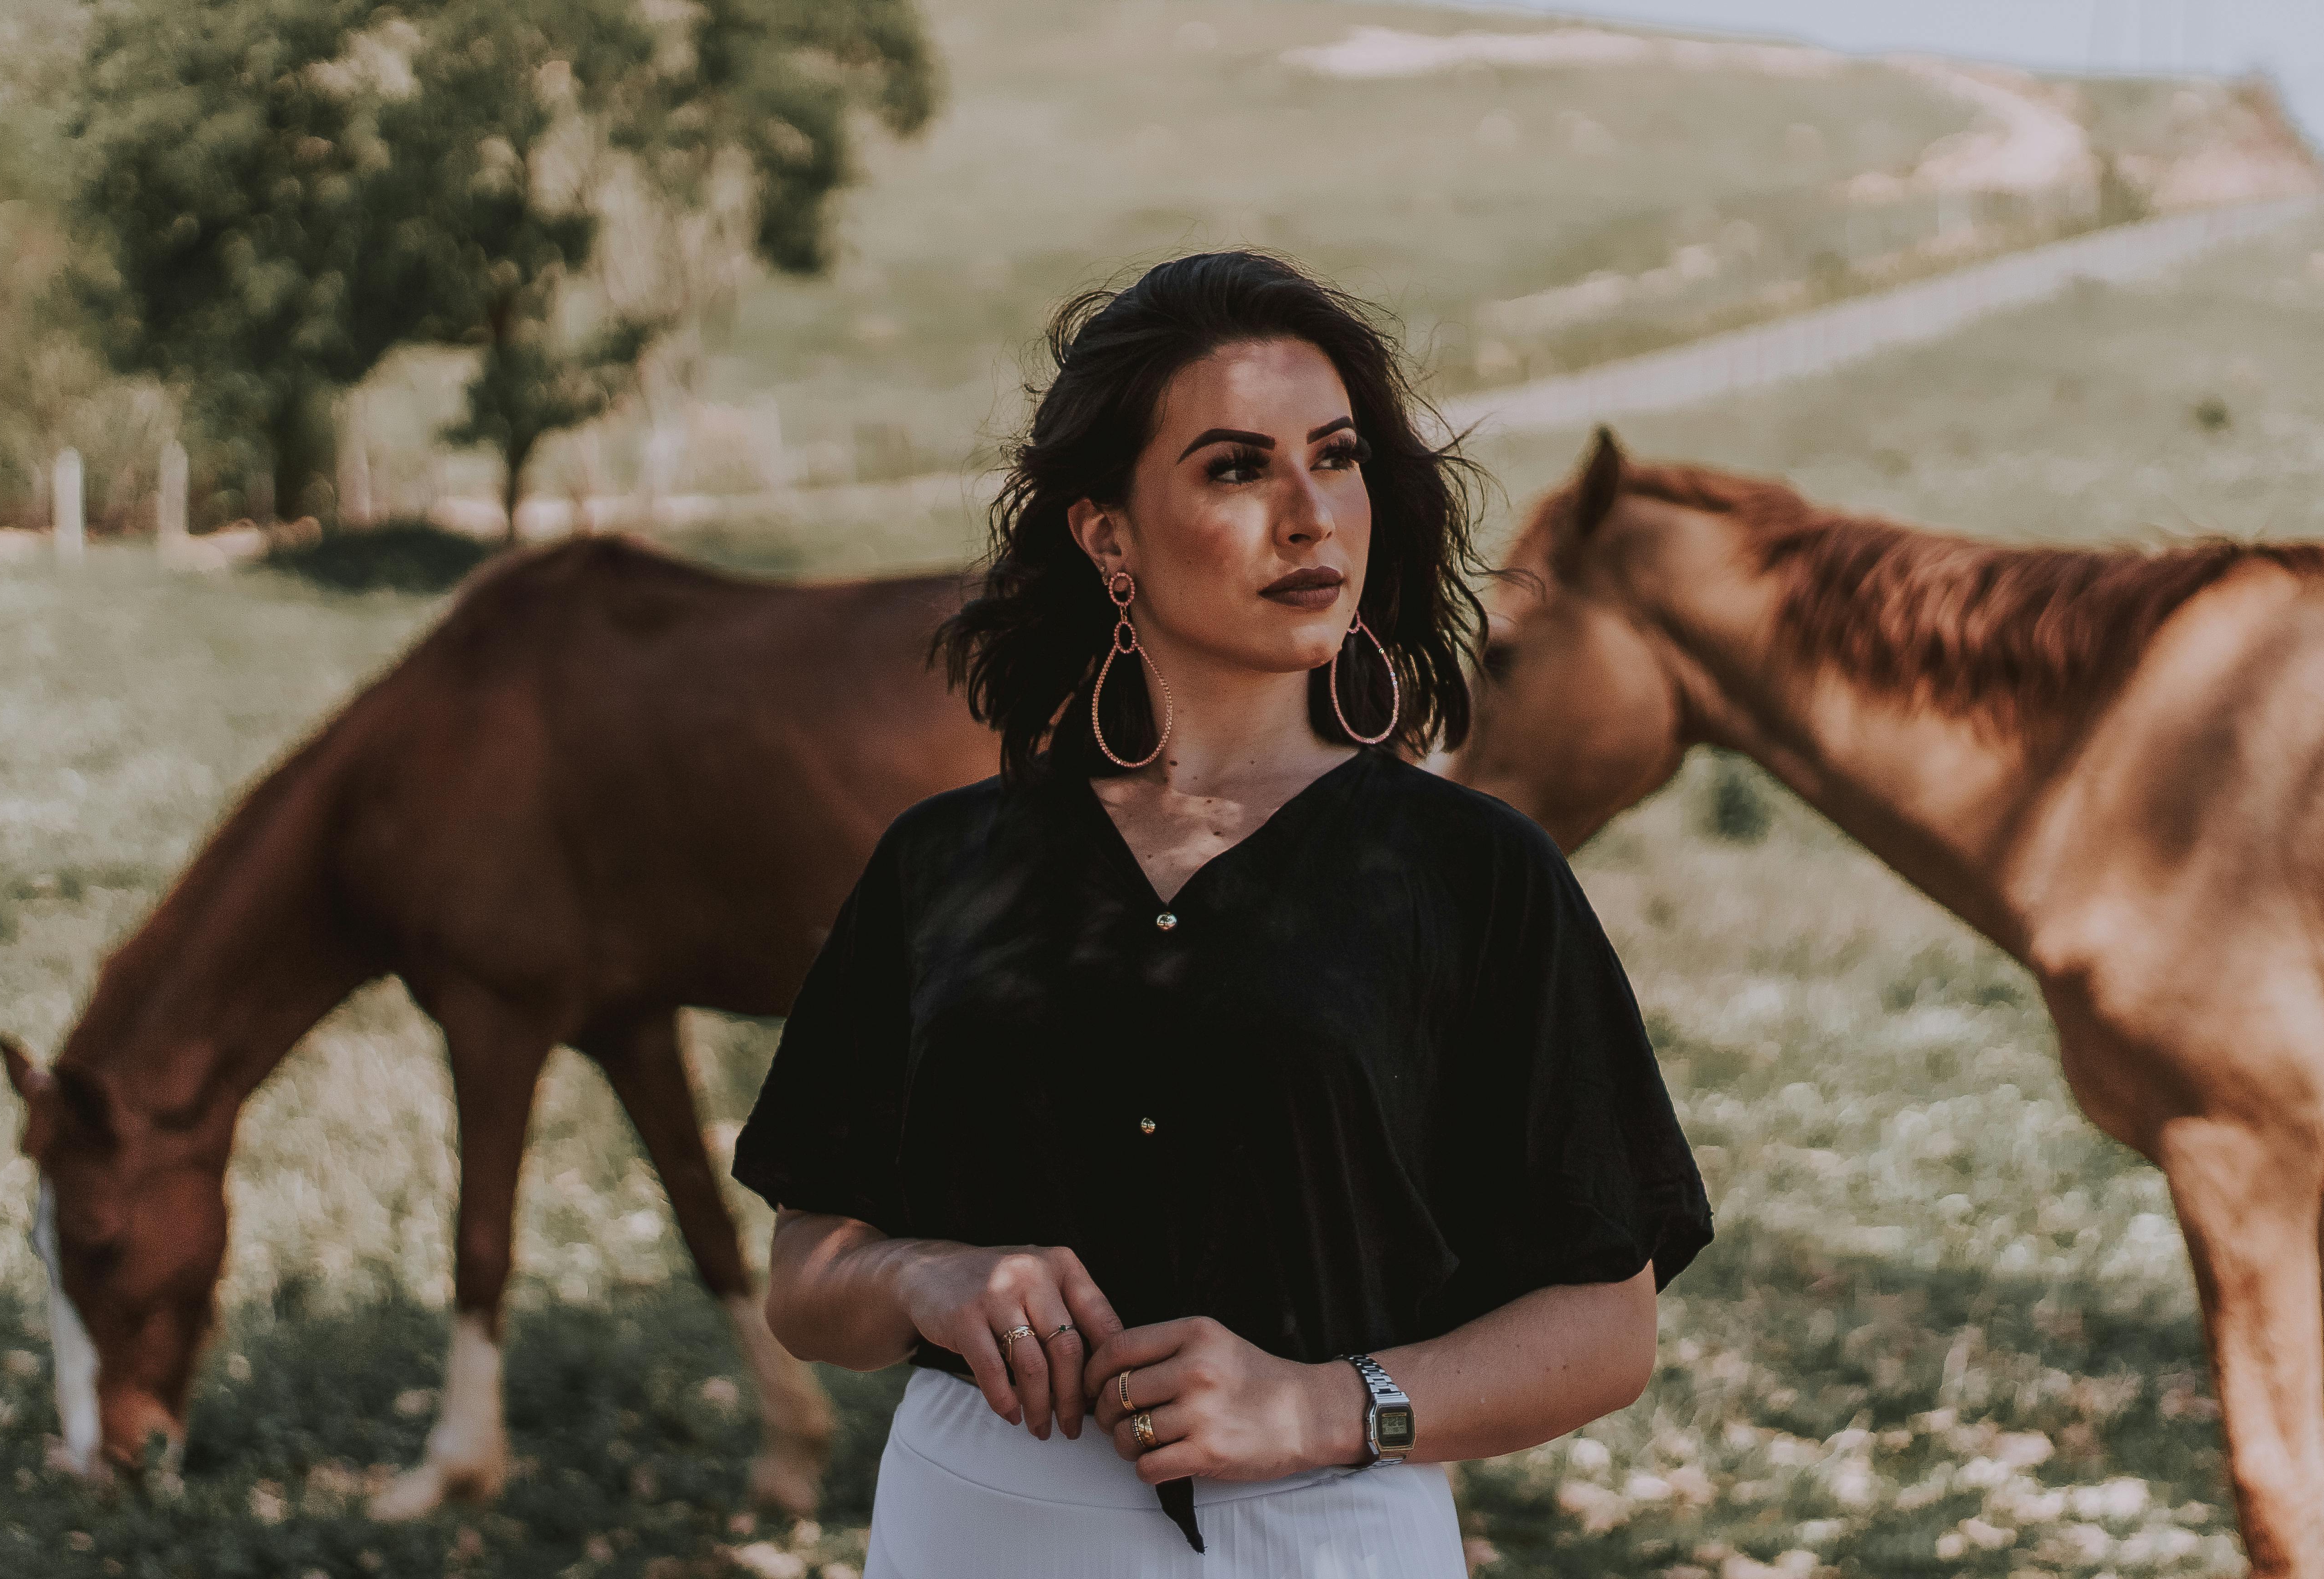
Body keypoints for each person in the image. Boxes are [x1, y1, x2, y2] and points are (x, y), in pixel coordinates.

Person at [728, 249, 1714, 1575]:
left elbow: (1609, 1327)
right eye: (1238, 468)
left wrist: (1324, 1403)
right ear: (1108, 537)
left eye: (1339, 456)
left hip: (1325, 1535)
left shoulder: (1475, 875)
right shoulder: (943, 866)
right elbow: (807, 1277)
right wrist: (925, 1278)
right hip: (979, 1529)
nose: (1312, 516)